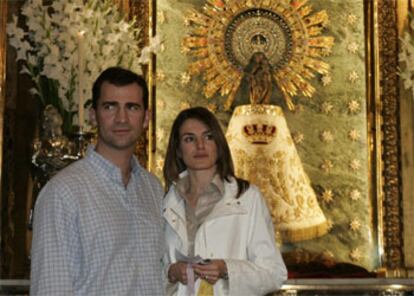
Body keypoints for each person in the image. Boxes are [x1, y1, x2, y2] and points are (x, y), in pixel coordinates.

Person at [30, 67, 165, 295]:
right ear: (93, 115)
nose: (121, 118)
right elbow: (50, 288)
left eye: (132, 107)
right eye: (110, 106)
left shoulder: (152, 188)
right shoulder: (63, 192)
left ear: (146, 118)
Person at [162, 107, 287, 295]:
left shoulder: (247, 198)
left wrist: (226, 269)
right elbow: (146, 270)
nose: (200, 145)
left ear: (219, 145)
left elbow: (274, 273)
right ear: (178, 150)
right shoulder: (164, 202)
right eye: (189, 139)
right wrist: (170, 273)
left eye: (208, 137)